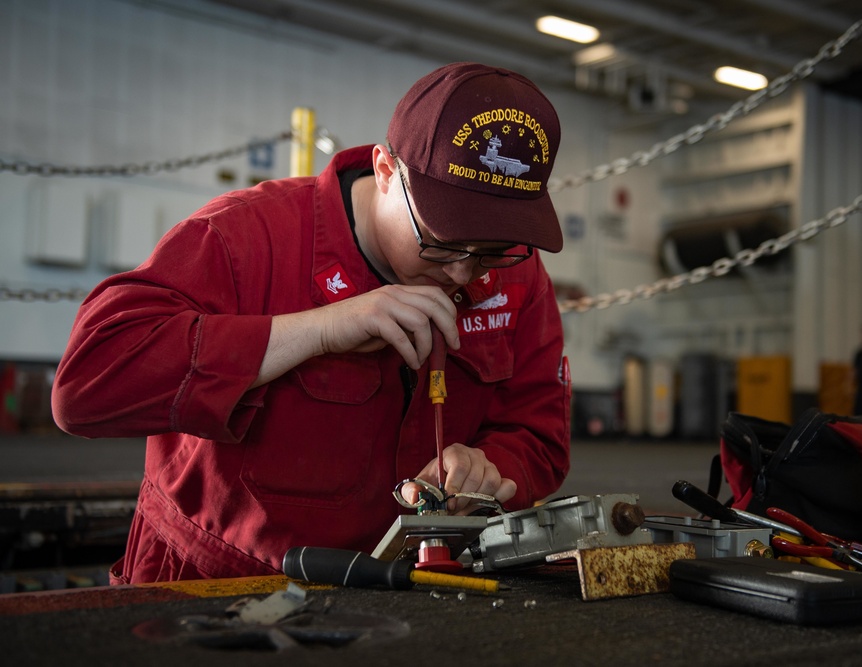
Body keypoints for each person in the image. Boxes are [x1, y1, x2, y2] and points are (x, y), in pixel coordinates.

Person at [51, 62, 572, 584]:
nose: (464, 270)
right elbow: (85, 388)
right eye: (441, 241)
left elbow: (538, 432)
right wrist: (315, 330)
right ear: (386, 171)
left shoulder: (518, 274)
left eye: (490, 250)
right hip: (215, 582)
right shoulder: (244, 237)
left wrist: (488, 465)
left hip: (410, 584)